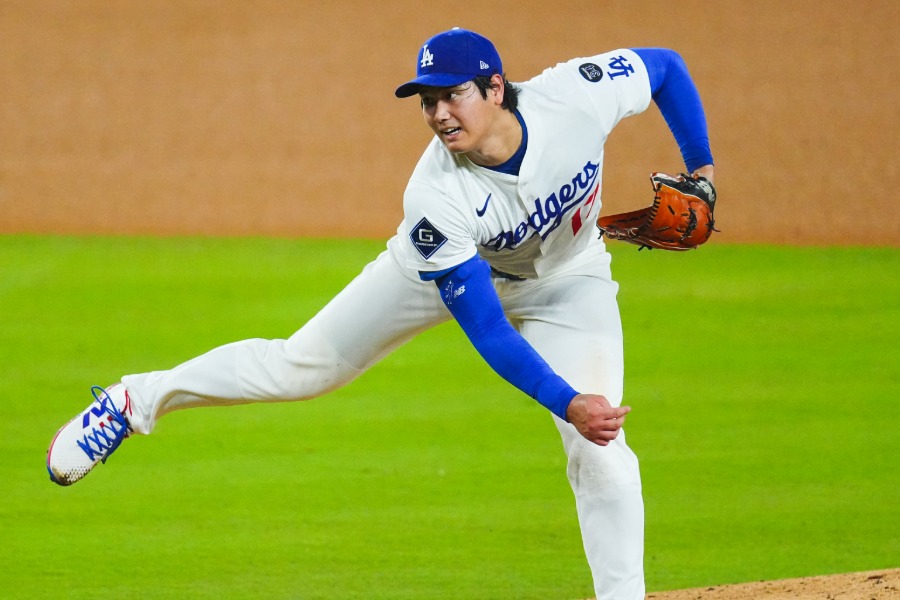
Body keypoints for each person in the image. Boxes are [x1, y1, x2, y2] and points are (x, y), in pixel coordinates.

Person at [47, 27, 715, 599]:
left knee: (601, 452)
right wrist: (566, 399)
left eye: (451, 95)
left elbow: (664, 67)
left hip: (570, 283)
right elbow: (485, 327)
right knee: (299, 368)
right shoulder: (436, 194)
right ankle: (133, 402)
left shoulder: (575, 97)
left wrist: (703, 171)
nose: (438, 114)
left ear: (494, 87)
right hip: (440, 273)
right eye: (427, 102)